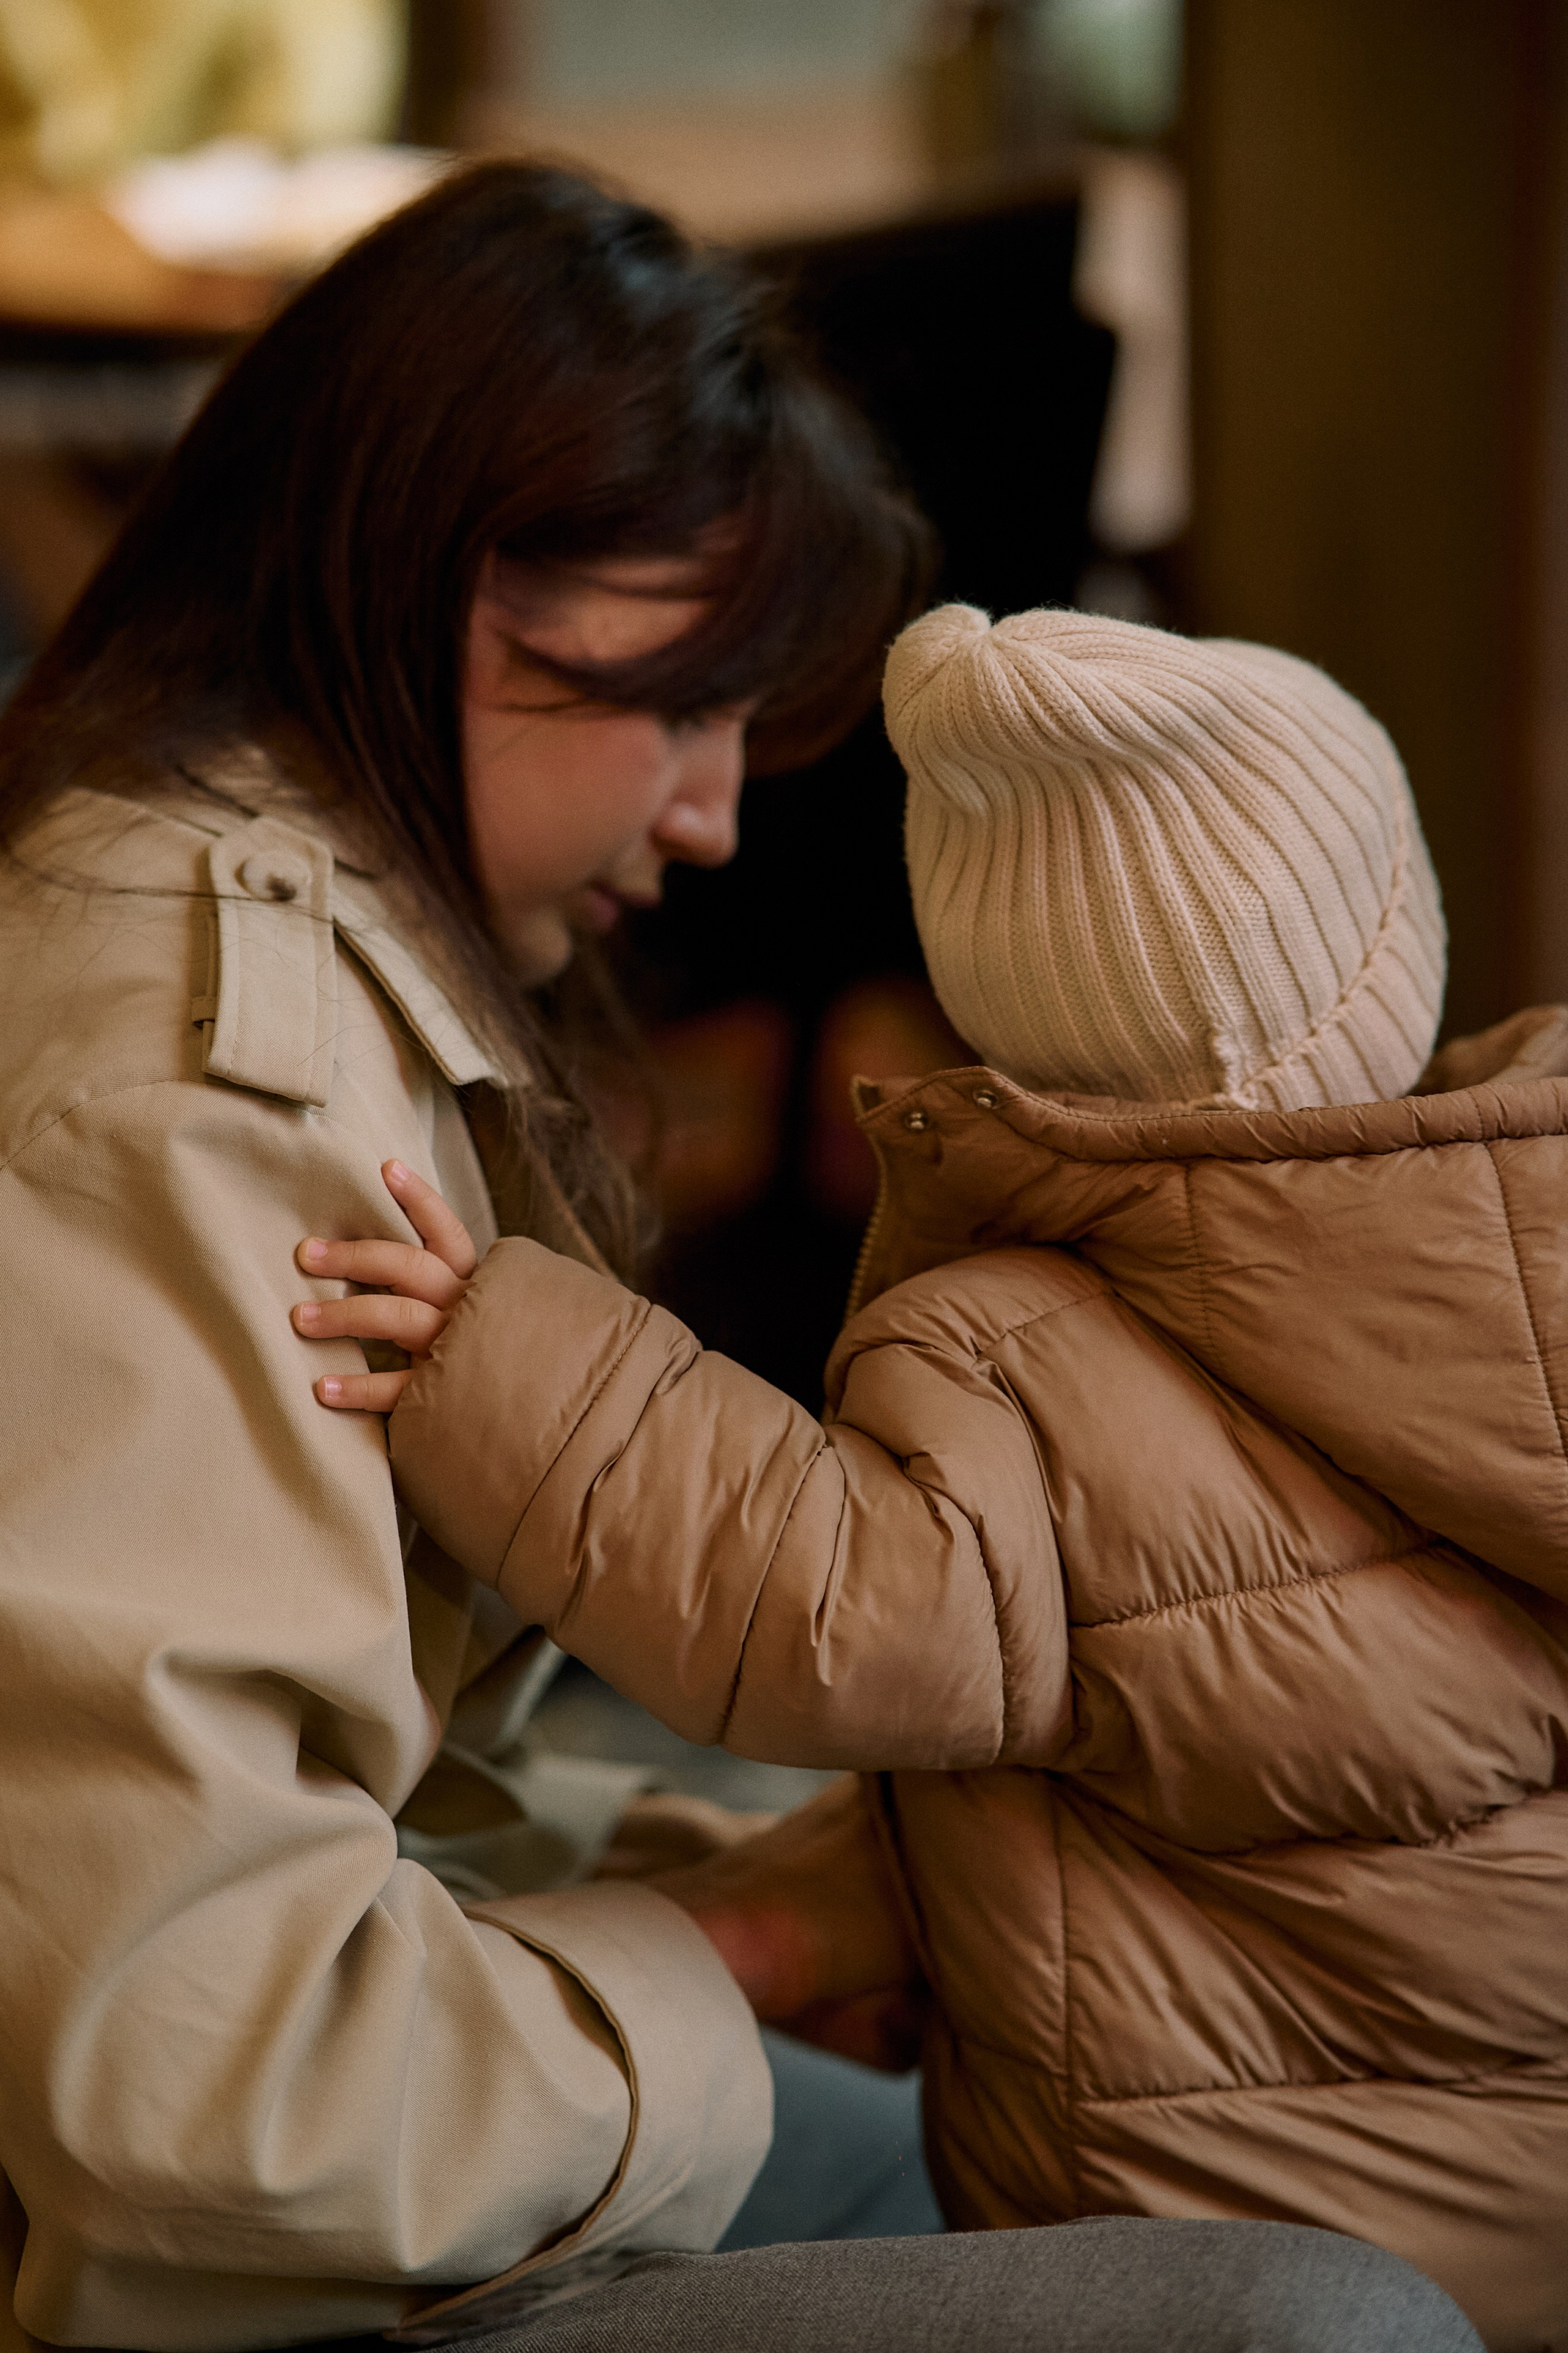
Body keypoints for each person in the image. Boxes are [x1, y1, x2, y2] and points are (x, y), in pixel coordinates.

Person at [0, 156, 1470, 2352]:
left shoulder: (267, 938)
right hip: (239, 2281)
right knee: (1319, 2319)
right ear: (457, 591)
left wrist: (763, 1871)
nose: (707, 818)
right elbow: (200, 2081)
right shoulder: (196, 1090)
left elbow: (357, 1790)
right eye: (678, 704)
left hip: (352, 2134)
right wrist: (763, 1944)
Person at [302, 607, 1568, 2353]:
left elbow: (826, 1598)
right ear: (1396, 943)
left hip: (1234, 2218)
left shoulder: (1013, 1359)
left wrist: (498, 1349)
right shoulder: (1528, 1242)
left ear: (999, 1016)